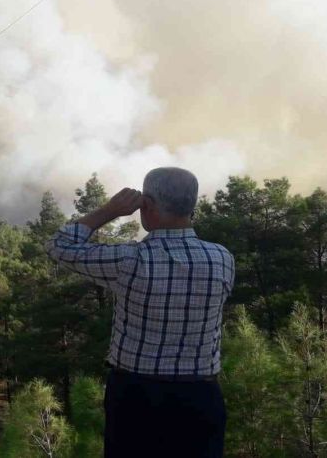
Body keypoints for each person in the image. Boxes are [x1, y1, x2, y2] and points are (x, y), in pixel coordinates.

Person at [45, 167, 234, 458]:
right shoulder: (222, 258)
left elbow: (59, 245)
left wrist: (109, 210)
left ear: (146, 205)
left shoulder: (129, 260)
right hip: (201, 397)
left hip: (136, 398)